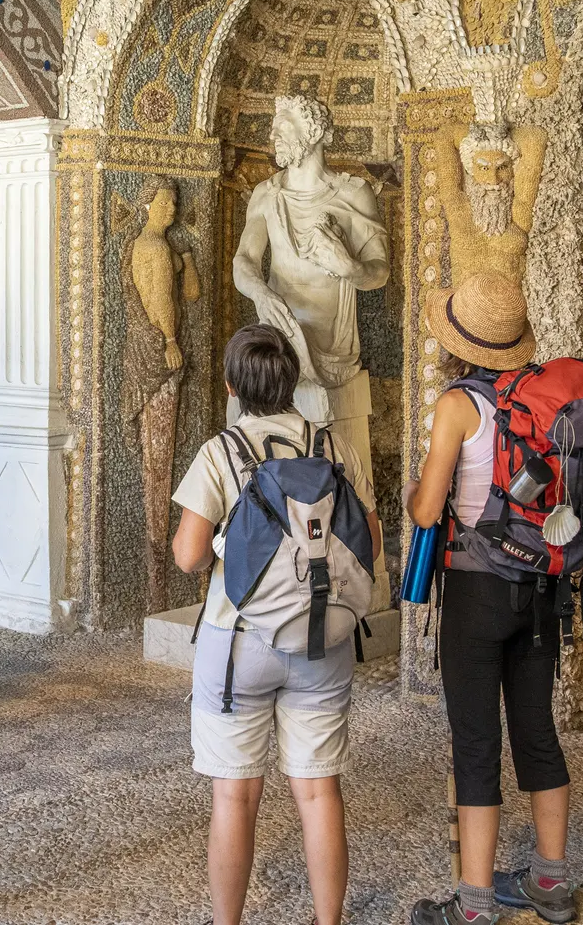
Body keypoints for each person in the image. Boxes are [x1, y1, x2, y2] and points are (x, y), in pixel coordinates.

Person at [170, 323, 383, 925]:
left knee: (234, 797)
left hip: (237, 645)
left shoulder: (221, 452)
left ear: (233, 386)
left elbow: (188, 557)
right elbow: (369, 539)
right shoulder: (330, 445)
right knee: (318, 792)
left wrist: (231, 543)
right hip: (323, 637)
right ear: (293, 381)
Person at [406, 273, 575, 925]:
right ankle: (551, 887)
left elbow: (427, 508)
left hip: (476, 591)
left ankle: (474, 907)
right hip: (540, 586)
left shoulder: (457, 405)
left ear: (459, 342)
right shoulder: (543, 398)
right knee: (537, 729)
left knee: (476, 742)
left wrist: (417, 498)